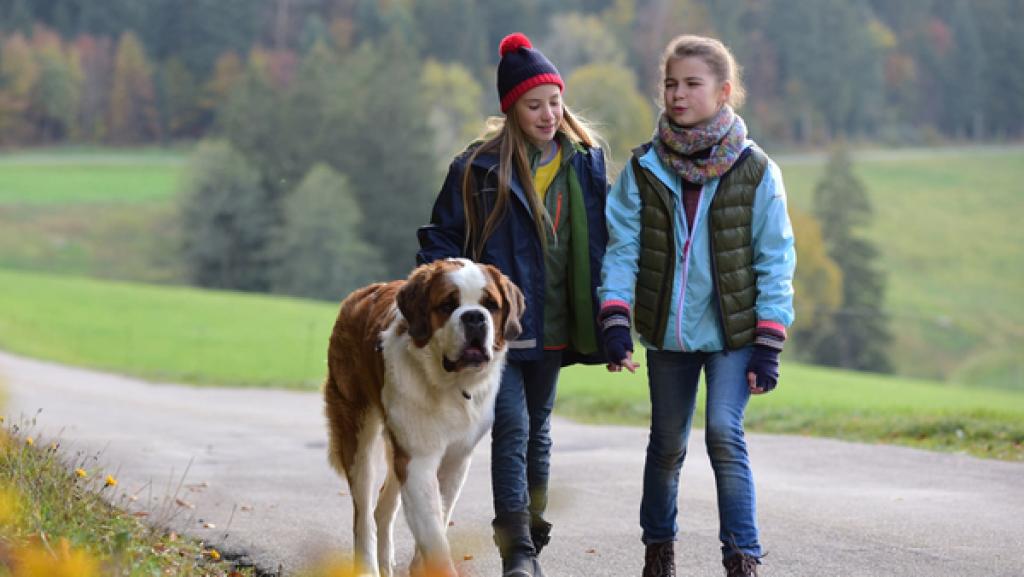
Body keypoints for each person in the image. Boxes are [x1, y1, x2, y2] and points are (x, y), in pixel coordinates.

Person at [597, 34, 796, 577]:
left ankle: (742, 558)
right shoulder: (642, 169)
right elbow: (621, 251)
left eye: (691, 83)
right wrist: (615, 318)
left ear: (724, 91)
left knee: (723, 434)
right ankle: (658, 551)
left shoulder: (757, 171)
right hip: (669, 334)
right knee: (666, 444)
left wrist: (769, 342)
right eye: (670, 83)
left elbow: (775, 260)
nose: (677, 94)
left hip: (734, 336)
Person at [416, 32, 609, 577]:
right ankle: (517, 549)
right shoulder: (476, 168)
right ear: (511, 110)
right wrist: (431, 295)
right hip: (500, 329)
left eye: (554, 101)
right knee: (513, 426)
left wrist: (612, 312)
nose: (548, 114)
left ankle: (532, 527)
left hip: (557, 320)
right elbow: (441, 239)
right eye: (534, 105)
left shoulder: (586, 162)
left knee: (540, 427)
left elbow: (606, 239)